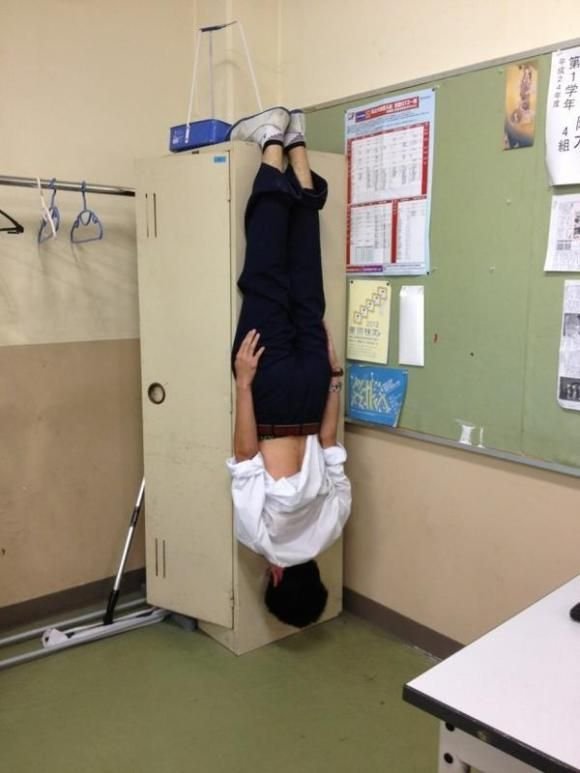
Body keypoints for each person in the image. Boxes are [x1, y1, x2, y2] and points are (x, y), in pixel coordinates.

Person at [225, 106, 352, 628]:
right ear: (276, 579)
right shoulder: (262, 539)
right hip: (272, 395)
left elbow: (330, 445)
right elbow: (245, 457)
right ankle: (271, 141)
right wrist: (244, 384)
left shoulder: (333, 527)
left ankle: (299, 151)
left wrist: (334, 379)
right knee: (265, 276)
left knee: (304, 283)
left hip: (313, 388)